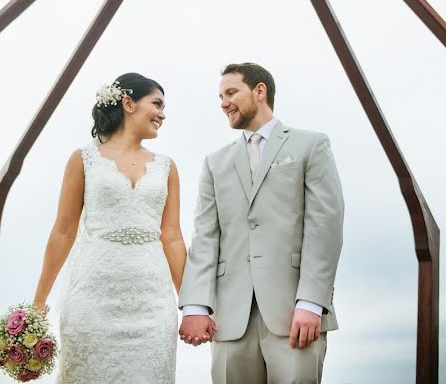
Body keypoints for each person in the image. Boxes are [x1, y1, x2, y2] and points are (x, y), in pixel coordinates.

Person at [178, 62, 344, 383]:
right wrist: (196, 306)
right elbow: (206, 238)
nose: (223, 102)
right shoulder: (215, 163)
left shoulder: (311, 145)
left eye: (230, 92)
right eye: (220, 96)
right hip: (231, 320)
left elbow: (325, 226)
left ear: (259, 91)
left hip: (295, 314)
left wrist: (312, 301)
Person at [31, 73, 186, 383]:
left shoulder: (167, 167)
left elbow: (172, 237)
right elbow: (63, 231)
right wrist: (38, 303)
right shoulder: (83, 159)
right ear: (128, 103)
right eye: (157, 104)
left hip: (152, 303)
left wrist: (192, 305)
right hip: (92, 299)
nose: (162, 114)